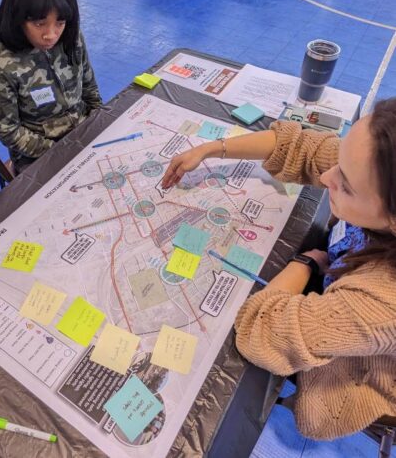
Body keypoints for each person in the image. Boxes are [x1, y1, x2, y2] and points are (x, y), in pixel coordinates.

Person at [161, 99, 396, 440]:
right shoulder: (379, 167)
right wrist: (212, 149)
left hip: (360, 376)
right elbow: (298, 146)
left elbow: (261, 330)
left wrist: (305, 264)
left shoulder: (382, 302)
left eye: (345, 185)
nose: (328, 175)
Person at [0, 0, 103, 174]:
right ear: (18, 18)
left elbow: (89, 88)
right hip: (38, 153)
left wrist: (101, 121)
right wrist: (58, 151)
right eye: (39, 24)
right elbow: (10, 132)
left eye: (60, 23)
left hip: (82, 132)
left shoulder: (71, 39)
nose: (51, 35)